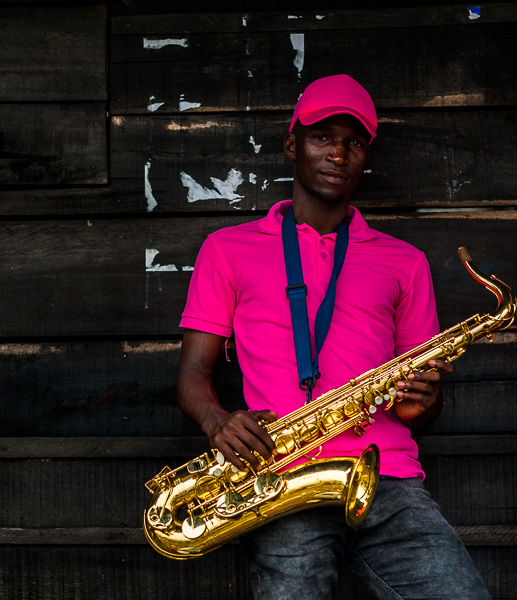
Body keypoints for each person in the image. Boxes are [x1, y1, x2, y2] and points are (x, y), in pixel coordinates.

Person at [175, 74, 490, 599]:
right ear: (292, 143)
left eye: (355, 142)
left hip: (388, 477)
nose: (339, 154)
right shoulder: (227, 250)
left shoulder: (404, 262)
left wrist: (423, 402)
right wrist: (217, 421)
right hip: (282, 477)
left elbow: (425, 406)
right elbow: (192, 372)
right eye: (323, 137)